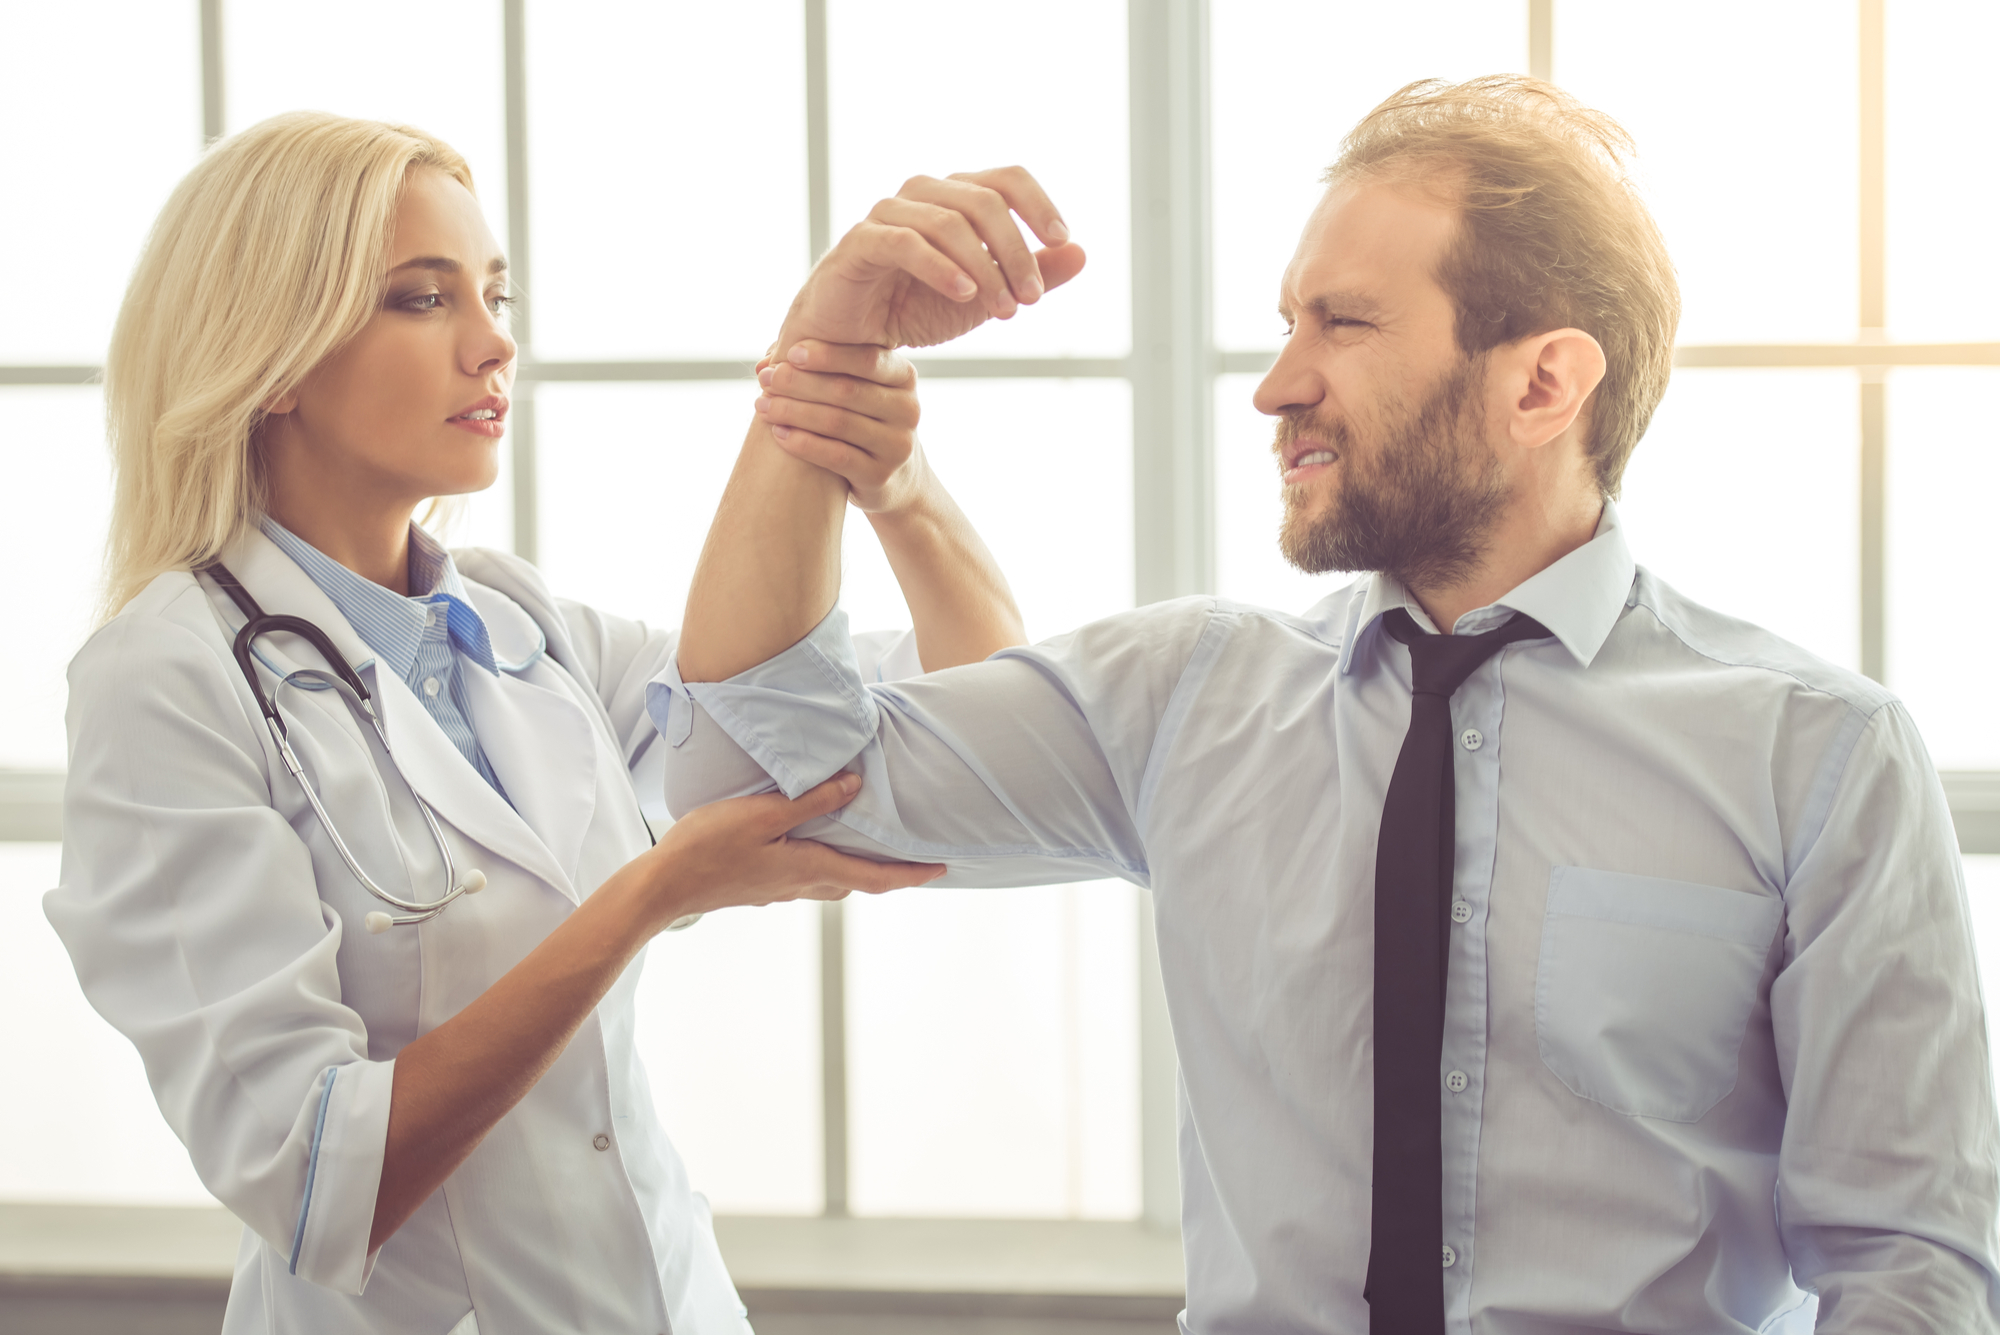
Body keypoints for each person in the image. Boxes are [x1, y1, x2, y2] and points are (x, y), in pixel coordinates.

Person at [660, 77, 2000, 1332]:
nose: (1276, 384)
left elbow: (1910, 1254)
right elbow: (746, 779)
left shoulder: (1815, 750)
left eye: (1343, 324)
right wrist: (823, 359)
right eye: (1288, 320)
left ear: (1543, 382)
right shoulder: (1184, 697)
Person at [42, 111, 1054, 1334]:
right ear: (276, 358)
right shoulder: (166, 678)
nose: (494, 341)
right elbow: (315, 1184)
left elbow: (977, 728)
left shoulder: (522, 625)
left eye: (494, 292)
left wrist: (892, 484)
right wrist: (649, 895)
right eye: (423, 300)